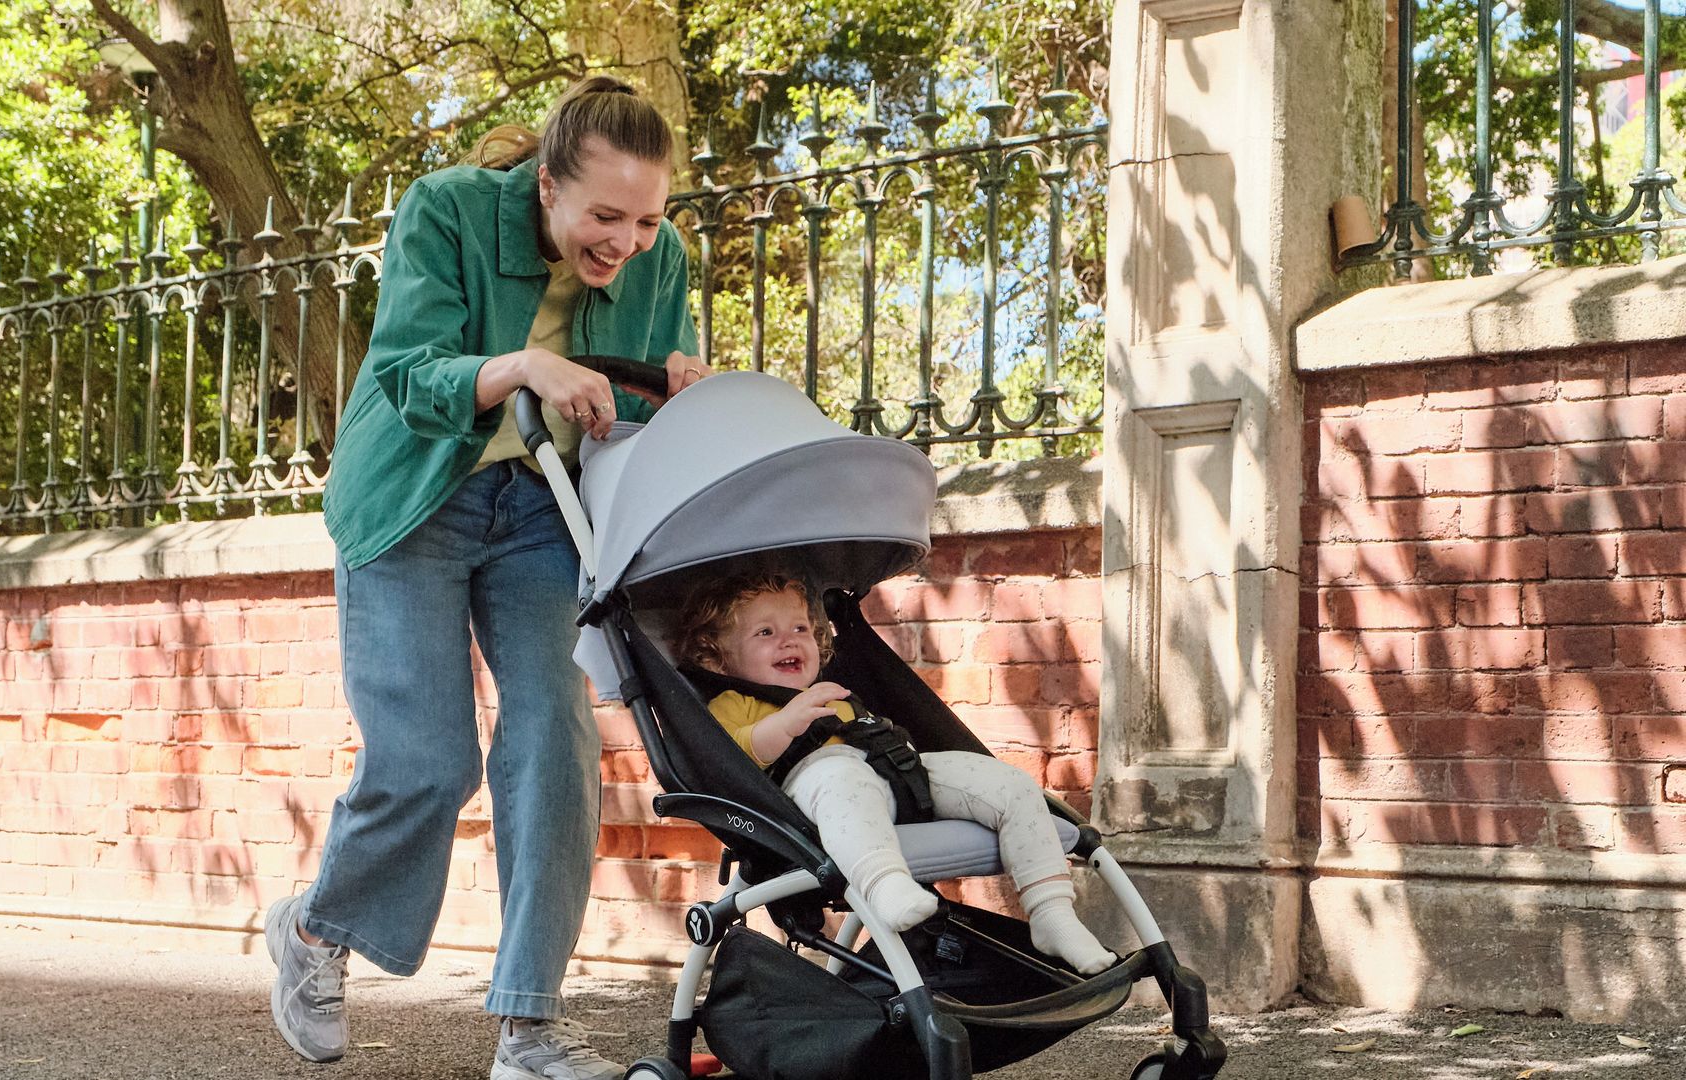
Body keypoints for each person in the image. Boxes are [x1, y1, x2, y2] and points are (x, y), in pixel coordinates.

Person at [264, 76, 708, 1080]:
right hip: (416, 494)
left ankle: (531, 1029)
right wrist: (517, 367)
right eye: (604, 215)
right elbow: (408, 374)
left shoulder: (660, 257)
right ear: (547, 186)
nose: (627, 241)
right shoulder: (447, 209)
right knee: (426, 758)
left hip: (544, 507)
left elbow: (623, 415)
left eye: (646, 218)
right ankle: (316, 929)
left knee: (556, 739)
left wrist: (674, 390)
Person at [674, 574, 1115, 975]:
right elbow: (733, 758)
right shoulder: (732, 701)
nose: (788, 641)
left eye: (800, 629)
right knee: (841, 775)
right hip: (825, 791)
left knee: (1009, 783)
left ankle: (1052, 912)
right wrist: (786, 723)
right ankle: (885, 887)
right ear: (719, 658)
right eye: (765, 632)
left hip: (900, 774)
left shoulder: (832, 689)